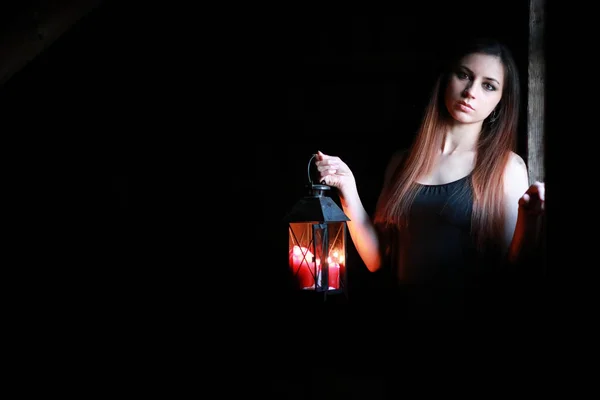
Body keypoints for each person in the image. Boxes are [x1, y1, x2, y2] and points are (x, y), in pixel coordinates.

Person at [315, 37, 545, 318]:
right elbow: (376, 260)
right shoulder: (403, 162)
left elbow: (514, 270)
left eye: (488, 85)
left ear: (500, 101)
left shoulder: (507, 167)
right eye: (464, 75)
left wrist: (530, 219)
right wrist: (347, 190)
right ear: (446, 78)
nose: (471, 91)